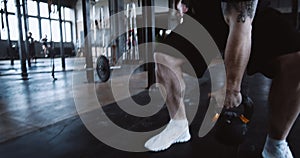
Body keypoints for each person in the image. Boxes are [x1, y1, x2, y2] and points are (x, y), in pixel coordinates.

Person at [144, 0, 300, 157]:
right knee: (164, 58)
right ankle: (178, 126)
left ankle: (276, 143)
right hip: (207, 15)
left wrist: (232, 89)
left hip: (253, 15)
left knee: (296, 62)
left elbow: (241, 25)